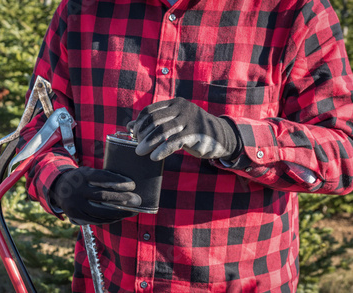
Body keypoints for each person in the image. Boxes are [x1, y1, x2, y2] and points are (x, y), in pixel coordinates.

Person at [18, 0, 353, 291]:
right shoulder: (82, 9)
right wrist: (60, 182)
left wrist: (231, 138)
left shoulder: (294, 11)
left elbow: (343, 150)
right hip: (110, 279)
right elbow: (37, 131)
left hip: (238, 283)